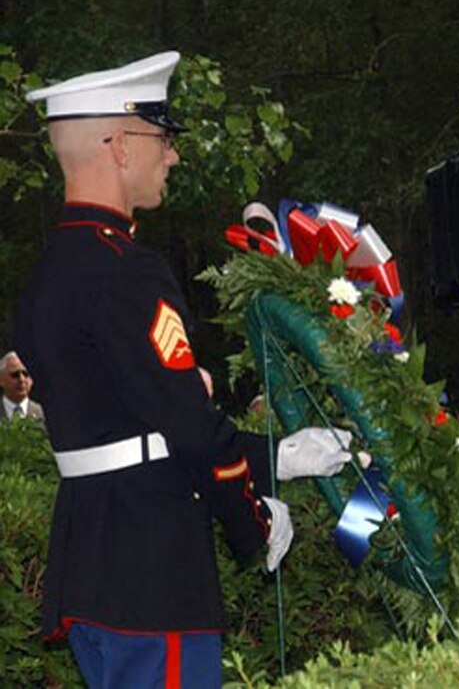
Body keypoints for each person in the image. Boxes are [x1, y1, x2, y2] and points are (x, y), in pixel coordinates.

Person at [18, 51, 352, 687]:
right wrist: (254, 516)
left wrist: (273, 458)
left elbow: (128, 422)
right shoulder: (127, 272)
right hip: (152, 570)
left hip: (93, 562)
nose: (171, 155)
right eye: (162, 139)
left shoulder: (52, 272)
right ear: (119, 145)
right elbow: (185, 426)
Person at [0, 351, 45, 423]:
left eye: (26, 374)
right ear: (1, 379)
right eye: (15, 375)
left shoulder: (44, 414)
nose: (22, 379)